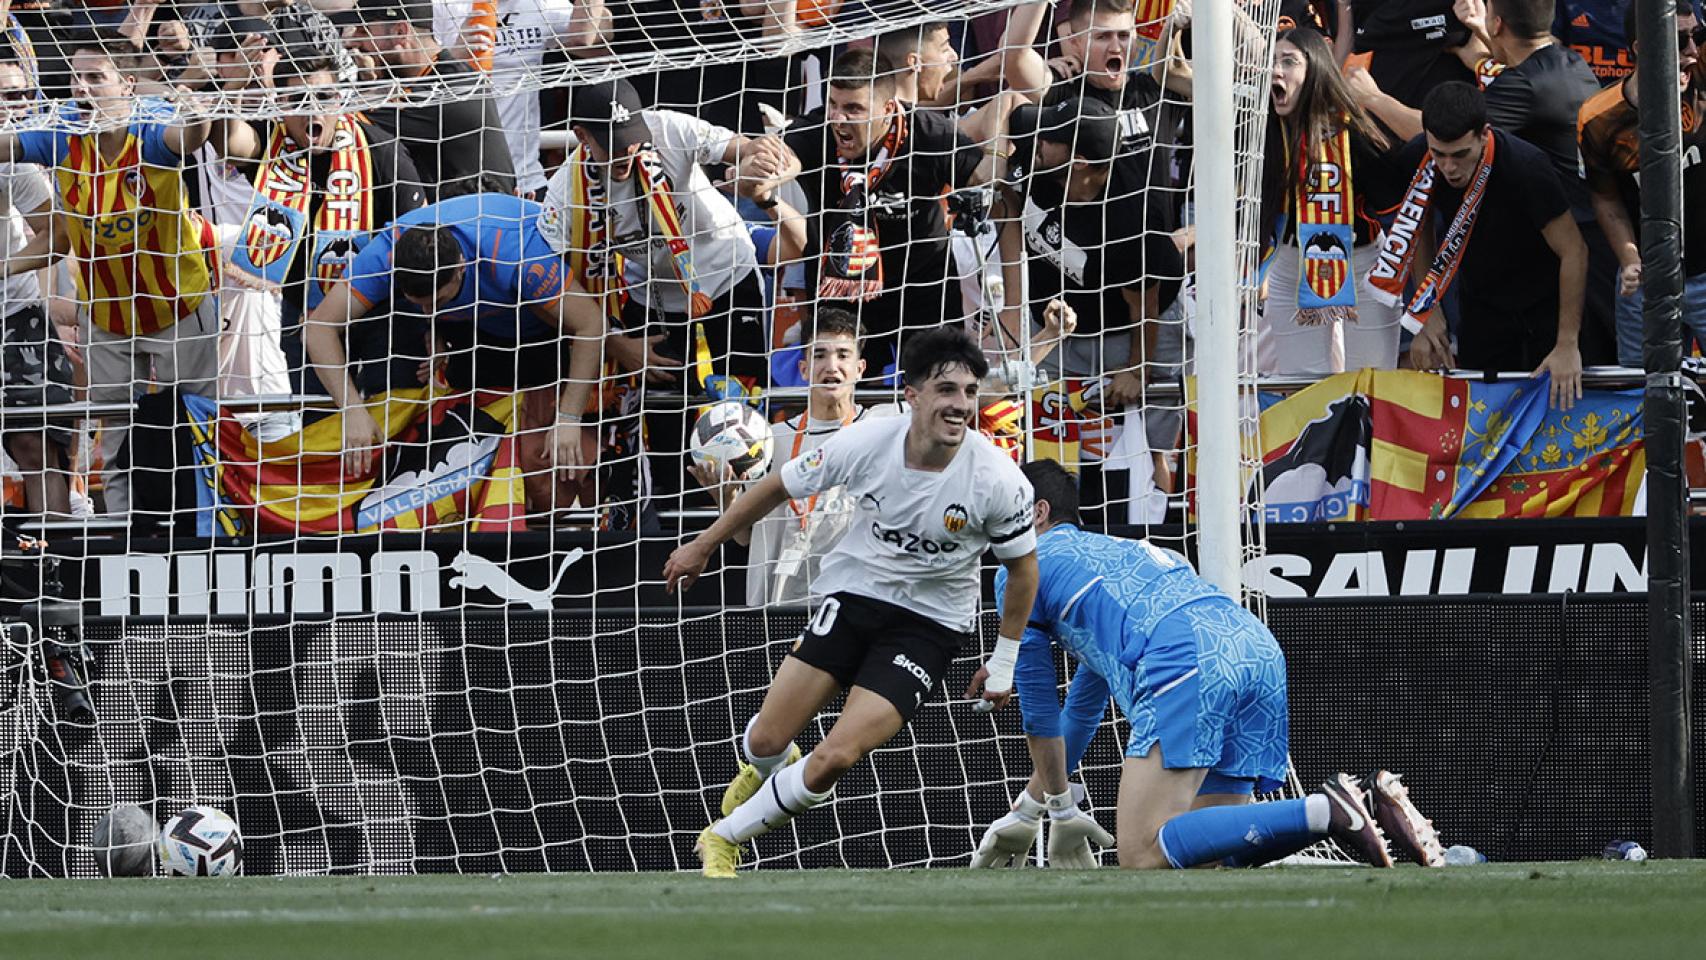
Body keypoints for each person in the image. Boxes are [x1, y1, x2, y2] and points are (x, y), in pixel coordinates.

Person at [662, 327, 1041, 878]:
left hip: (930, 625)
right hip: (856, 595)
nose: (960, 405)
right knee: (767, 739)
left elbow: (1024, 572)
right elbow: (774, 487)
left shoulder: (998, 480)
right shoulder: (867, 443)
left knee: (836, 756)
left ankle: (723, 839)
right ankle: (774, 765)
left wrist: (1003, 662)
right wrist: (701, 546)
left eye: (968, 392)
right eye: (946, 391)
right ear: (911, 396)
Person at [971, 459, 1445, 869]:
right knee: (1208, 849)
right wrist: (1029, 809)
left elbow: (1038, 714)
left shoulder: (1023, 568)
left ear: (1036, 513)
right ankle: (1359, 797)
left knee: (1141, 852)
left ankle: (1328, 809)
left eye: (1001, 513)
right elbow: (1079, 713)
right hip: (1254, 647)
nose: (991, 529)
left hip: (1185, 655)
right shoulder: (1116, 559)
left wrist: (1057, 807)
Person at [0, 29, 220, 514]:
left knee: (206, 429)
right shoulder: (60, 137)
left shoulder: (152, 129)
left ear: (127, 84)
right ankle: (122, 536)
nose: (82, 87)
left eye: (96, 77)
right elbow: (7, 147)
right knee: (114, 443)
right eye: (76, 77)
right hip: (107, 317)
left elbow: (187, 138)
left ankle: (212, 530)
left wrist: (199, 114)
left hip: (179, 308)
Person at [302, 193, 607, 509]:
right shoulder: (385, 253)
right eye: (421, 304)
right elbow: (319, 327)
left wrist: (569, 417)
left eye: (438, 300)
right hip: (470, 331)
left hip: (539, 321)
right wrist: (352, 409)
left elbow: (590, 324)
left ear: (462, 267)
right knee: (465, 442)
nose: (430, 308)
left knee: (553, 454)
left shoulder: (515, 252)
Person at [210, 36, 428, 394]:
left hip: (383, 315)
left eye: (323, 98)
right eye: (298, 100)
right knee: (316, 430)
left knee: (387, 425)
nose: (312, 110)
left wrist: (434, 332)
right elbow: (227, 138)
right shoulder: (272, 146)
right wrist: (233, 86)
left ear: (340, 100)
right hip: (303, 314)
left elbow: (423, 241)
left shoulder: (381, 151)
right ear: (280, 105)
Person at [786, 49, 984, 378]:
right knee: (844, 395)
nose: (839, 118)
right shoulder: (815, 130)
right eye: (833, 104)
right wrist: (762, 172)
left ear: (887, 108)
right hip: (841, 290)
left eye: (853, 108)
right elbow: (780, 155)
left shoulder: (929, 134)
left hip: (921, 286)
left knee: (935, 386)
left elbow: (991, 182)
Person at [1387, 82, 1585, 409]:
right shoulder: (1417, 158)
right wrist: (1427, 309)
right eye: (1439, 154)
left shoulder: (1525, 165)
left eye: (1460, 154)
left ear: (1483, 134)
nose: (1449, 167)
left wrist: (1567, 342)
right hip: (1481, 305)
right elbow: (1419, 230)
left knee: (1553, 416)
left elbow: (1574, 250)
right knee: (1483, 415)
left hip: (1545, 305)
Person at [689, 306, 896, 608]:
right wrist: (725, 497)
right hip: (777, 603)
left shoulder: (880, 433)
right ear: (803, 368)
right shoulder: (766, 440)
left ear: (860, 368)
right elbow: (746, 538)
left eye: (842, 355)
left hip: (855, 602)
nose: (831, 365)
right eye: (820, 355)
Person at [1449, 0, 1617, 366]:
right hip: (1597, 247)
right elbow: (1526, 51)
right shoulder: (1572, 62)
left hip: (1566, 263)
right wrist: (1483, 36)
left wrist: (1371, 97)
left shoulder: (1523, 86)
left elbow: (1450, 137)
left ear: (1499, 25)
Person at [1260, 26, 1403, 375]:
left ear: (1315, 70)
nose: (1276, 70)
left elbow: (1401, 213)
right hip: (1291, 267)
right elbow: (1179, 79)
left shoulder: (1353, 130)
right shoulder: (1260, 128)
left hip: (1363, 265)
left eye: (1289, 61)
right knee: (1304, 389)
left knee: (1370, 387)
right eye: (1272, 62)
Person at [1578, 0, 1705, 367]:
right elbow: (1605, 198)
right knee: (1641, 389)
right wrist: (1628, 257)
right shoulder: (1599, 119)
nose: (1693, 52)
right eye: (1680, 41)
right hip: (1647, 277)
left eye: (1697, 36)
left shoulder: (1700, 74)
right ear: (1642, 48)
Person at [432, 0, 611, 199]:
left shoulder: (539, 4)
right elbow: (406, 85)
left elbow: (593, 41)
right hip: (455, 185)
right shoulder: (440, 6)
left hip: (525, 184)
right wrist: (452, 57)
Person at [344, 0, 517, 200]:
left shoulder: (448, 90)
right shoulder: (435, 75)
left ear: (400, 32)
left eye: (363, 32)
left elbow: (336, 120)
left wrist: (357, 81)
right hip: (460, 220)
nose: (352, 41)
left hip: (479, 225)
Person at [0, 58, 73, 522]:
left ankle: (61, 570)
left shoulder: (14, 160)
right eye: (9, 96)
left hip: (14, 316)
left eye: (25, 95)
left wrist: (3, 268)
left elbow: (58, 235)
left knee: (36, 445)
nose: (20, 107)